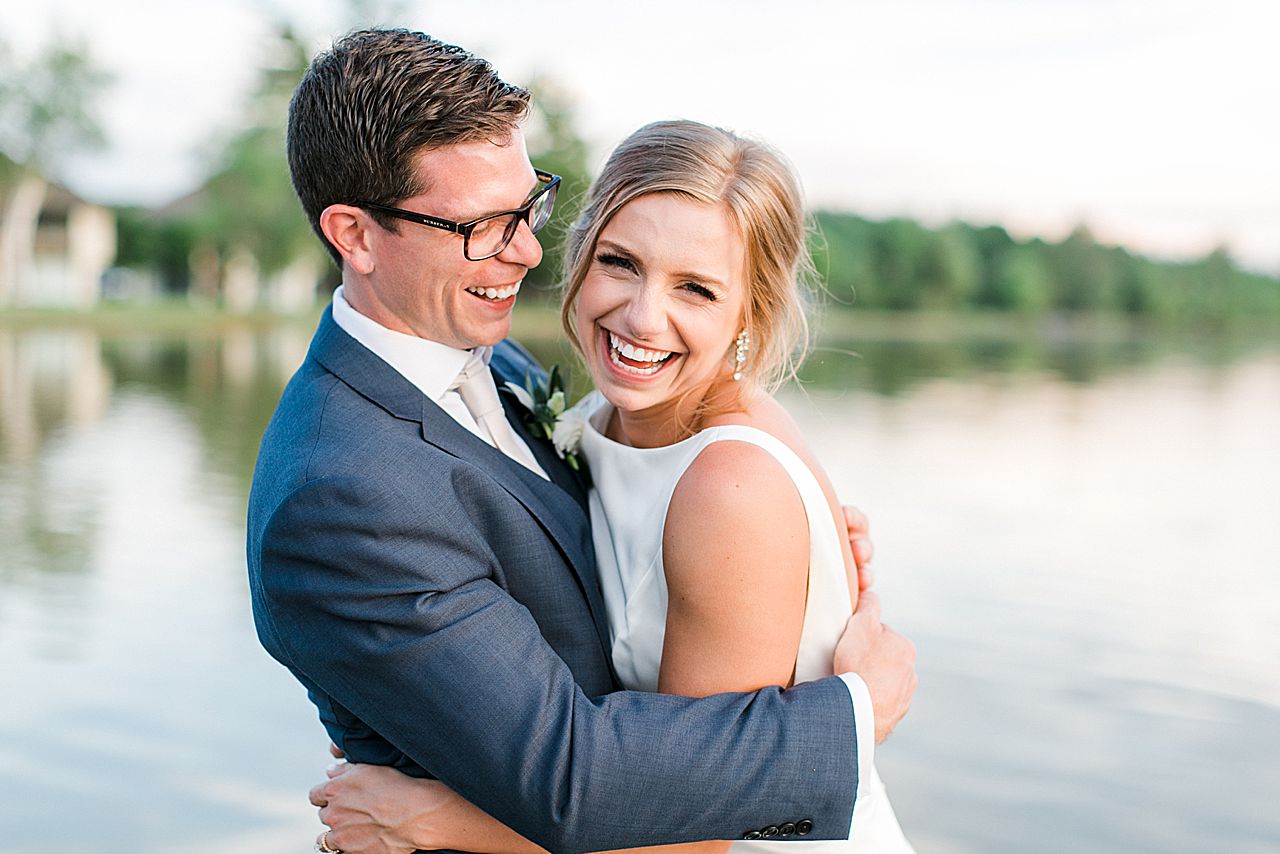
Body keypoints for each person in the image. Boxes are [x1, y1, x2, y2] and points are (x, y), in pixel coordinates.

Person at [246, 28, 915, 854]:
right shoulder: (339, 493)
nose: (526, 251)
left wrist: (797, 551)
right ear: (354, 234)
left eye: (528, 207)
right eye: (482, 226)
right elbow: (572, 776)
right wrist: (853, 715)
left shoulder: (506, 366)